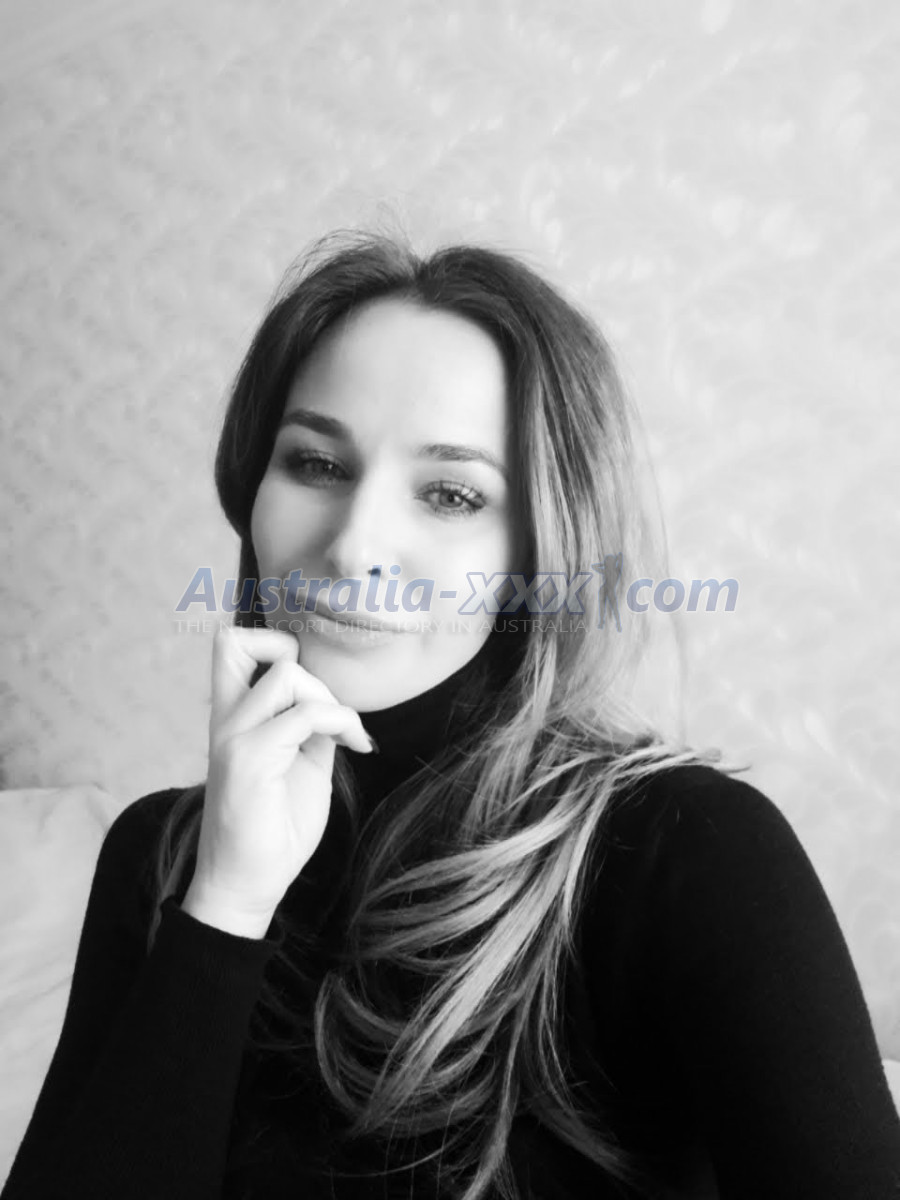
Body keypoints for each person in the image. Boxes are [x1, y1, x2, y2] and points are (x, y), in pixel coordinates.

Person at [3, 232, 899, 1200]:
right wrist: (225, 905)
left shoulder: (688, 854)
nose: (354, 547)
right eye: (316, 463)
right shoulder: (158, 856)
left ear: (538, 549)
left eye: (450, 493)